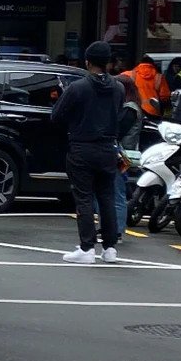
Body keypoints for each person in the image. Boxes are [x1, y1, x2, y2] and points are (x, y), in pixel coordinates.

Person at [52, 40, 124, 265]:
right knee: (107, 197)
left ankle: (86, 248)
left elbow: (57, 116)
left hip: (82, 146)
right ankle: (110, 248)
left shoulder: (78, 87)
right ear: (109, 62)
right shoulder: (119, 88)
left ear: (87, 61)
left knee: (83, 197)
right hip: (108, 147)